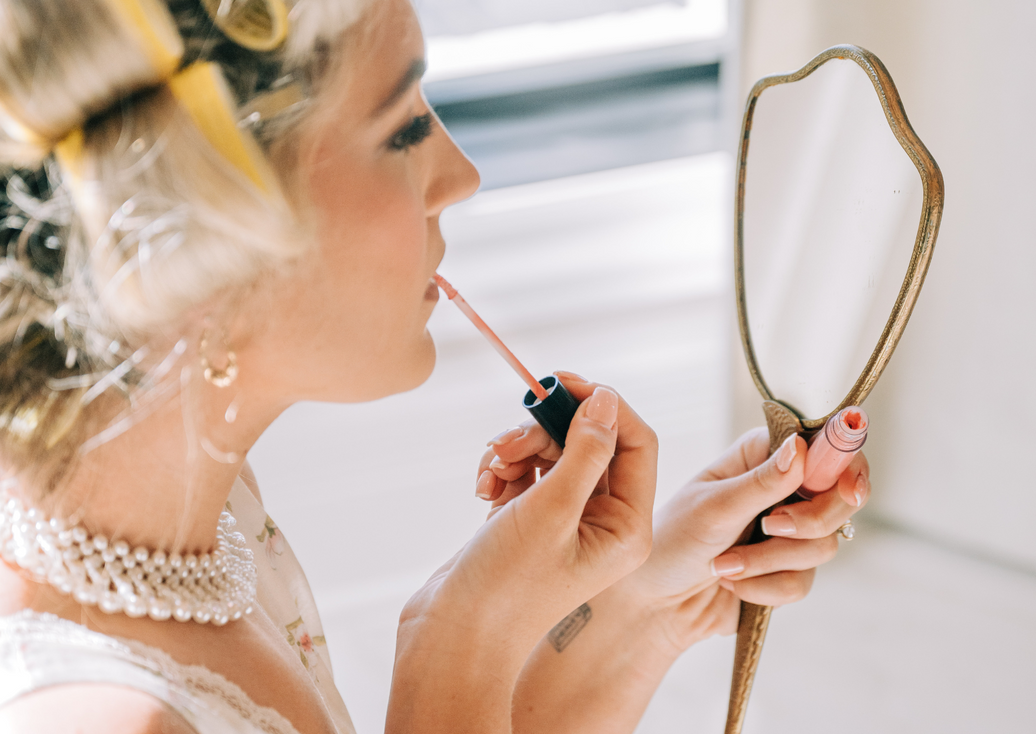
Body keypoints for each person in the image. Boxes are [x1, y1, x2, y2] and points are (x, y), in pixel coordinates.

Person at [0, 0, 870, 732]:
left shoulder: (208, 512)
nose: (460, 174)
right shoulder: (106, 717)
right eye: (405, 126)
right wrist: (461, 639)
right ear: (208, 233)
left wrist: (638, 606)